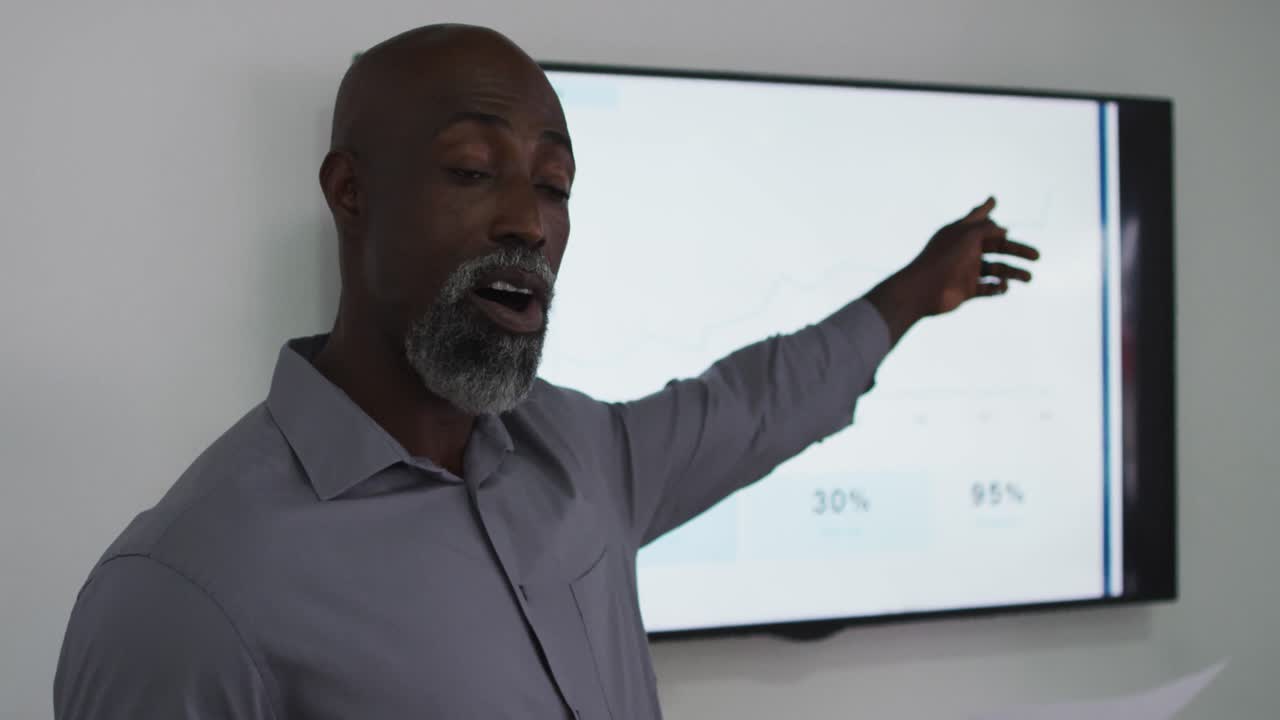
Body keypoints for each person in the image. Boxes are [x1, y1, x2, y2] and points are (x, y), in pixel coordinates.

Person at [53, 23, 1038, 720]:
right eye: (472, 170)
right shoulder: (187, 593)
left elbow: (753, 405)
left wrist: (912, 292)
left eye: (554, 184)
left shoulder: (581, 452)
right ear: (350, 192)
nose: (528, 221)